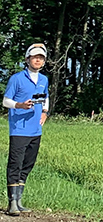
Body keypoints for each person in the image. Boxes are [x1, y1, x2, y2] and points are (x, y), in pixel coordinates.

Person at [3, 44, 49, 216]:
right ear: (27, 59)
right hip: (19, 129)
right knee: (15, 164)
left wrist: (45, 112)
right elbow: (5, 101)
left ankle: (19, 201)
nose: (38, 60)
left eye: (41, 58)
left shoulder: (43, 79)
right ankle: (12, 203)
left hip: (36, 130)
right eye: (35, 57)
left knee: (28, 164)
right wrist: (20, 105)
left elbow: (45, 97)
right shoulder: (16, 78)